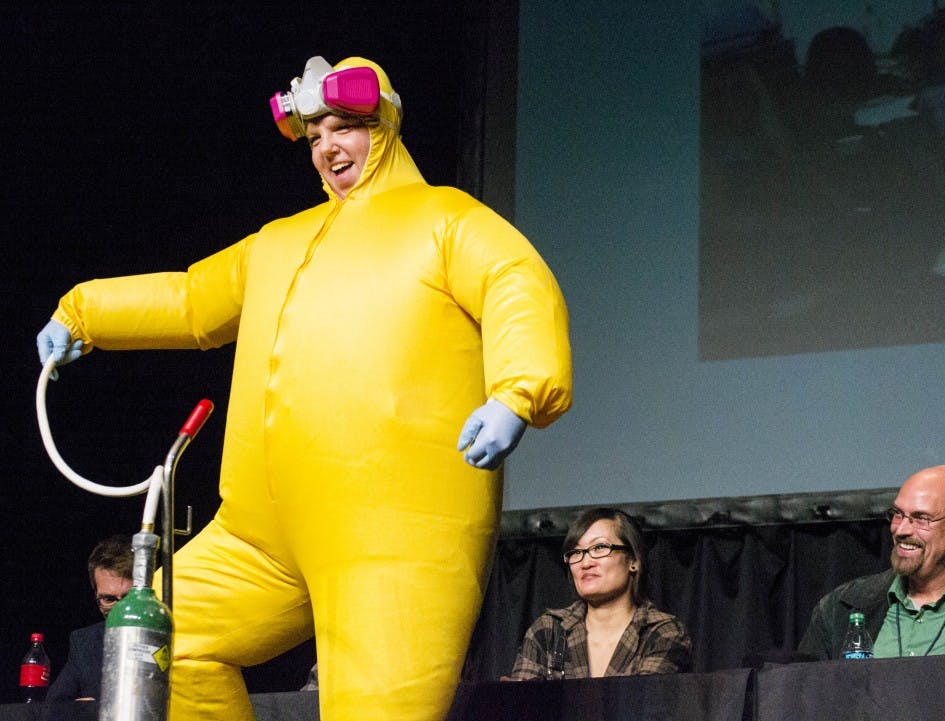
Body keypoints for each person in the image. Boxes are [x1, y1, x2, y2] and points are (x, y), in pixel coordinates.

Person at [35, 55, 572, 721]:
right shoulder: (279, 242)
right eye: (315, 134)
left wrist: (518, 390)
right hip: (261, 532)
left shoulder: (443, 218)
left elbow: (515, 280)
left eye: (343, 127)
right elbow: (192, 300)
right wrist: (81, 310)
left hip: (394, 531)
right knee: (157, 632)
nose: (327, 147)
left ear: (384, 126)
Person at [798, 464, 945, 659]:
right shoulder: (840, 609)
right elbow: (805, 690)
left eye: (921, 518)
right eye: (897, 514)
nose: (901, 530)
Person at [507, 508, 692, 679]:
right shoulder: (549, 631)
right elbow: (523, 707)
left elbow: (641, 707)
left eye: (599, 548)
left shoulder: (661, 633)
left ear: (633, 561)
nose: (585, 562)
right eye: (576, 552)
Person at [48, 535, 133, 702]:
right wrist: (76, 710)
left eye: (129, 597)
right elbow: (53, 706)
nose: (120, 611)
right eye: (109, 599)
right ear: (96, 594)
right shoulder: (84, 642)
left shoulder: (174, 635)